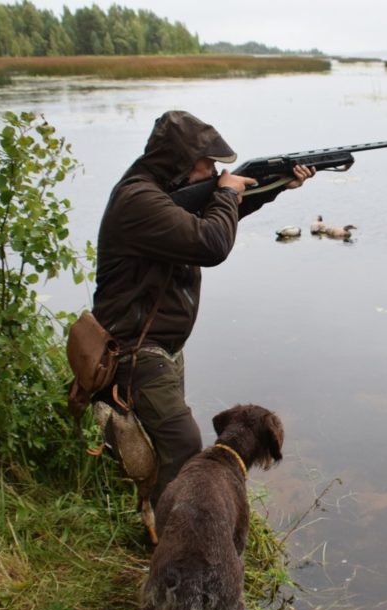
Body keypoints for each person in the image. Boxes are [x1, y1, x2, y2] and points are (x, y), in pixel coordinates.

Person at [91, 111, 313, 505]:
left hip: (158, 345)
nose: (212, 171)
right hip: (135, 350)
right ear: (178, 160)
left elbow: (212, 218)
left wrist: (277, 184)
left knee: (164, 444)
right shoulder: (139, 200)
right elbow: (211, 242)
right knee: (184, 446)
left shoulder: (157, 193)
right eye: (206, 163)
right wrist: (226, 193)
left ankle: (152, 514)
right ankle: (172, 539)